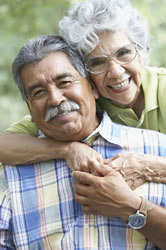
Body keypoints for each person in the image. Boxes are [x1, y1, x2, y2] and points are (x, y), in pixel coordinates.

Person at [0, 34, 166, 249]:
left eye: (65, 82)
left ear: (94, 88)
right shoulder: (10, 176)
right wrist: (67, 150)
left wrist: (132, 208)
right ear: (30, 109)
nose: (55, 98)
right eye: (38, 92)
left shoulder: (156, 150)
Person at [0, 0, 166, 187]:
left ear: (141, 51)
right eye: (97, 63)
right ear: (85, 75)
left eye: (124, 53)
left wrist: (148, 165)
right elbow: (4, 144)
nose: (116, 71)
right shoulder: (85, 106)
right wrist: (67, 149)